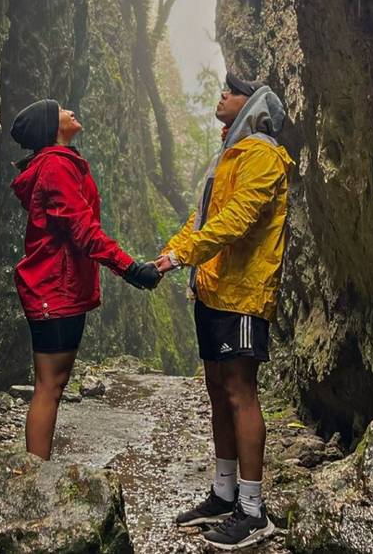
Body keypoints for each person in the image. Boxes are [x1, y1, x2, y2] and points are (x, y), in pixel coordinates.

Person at [155, 73, 293, 550]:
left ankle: (253, 511)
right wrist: (170, 253)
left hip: (243, 293)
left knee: (240, 390)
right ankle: (223, 492)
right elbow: (203, 220)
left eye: (229, 91)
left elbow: (238, 220)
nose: (221, 95)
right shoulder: (231, 154)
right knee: (217, 388)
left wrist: (181, 256)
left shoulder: (263, 154)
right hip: (214, 289)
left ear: (251, 103)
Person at [10, 98, 162, 460]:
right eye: (62, 110)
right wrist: (129, 268)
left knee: (52, 385)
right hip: (54, 288)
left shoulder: (59, 165)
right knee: (50, 386)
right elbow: (84, 230)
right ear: (51, 126)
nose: (71, 112)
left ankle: (37, 469)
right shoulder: (56, 168)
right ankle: (35, 474)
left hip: (57, 286)